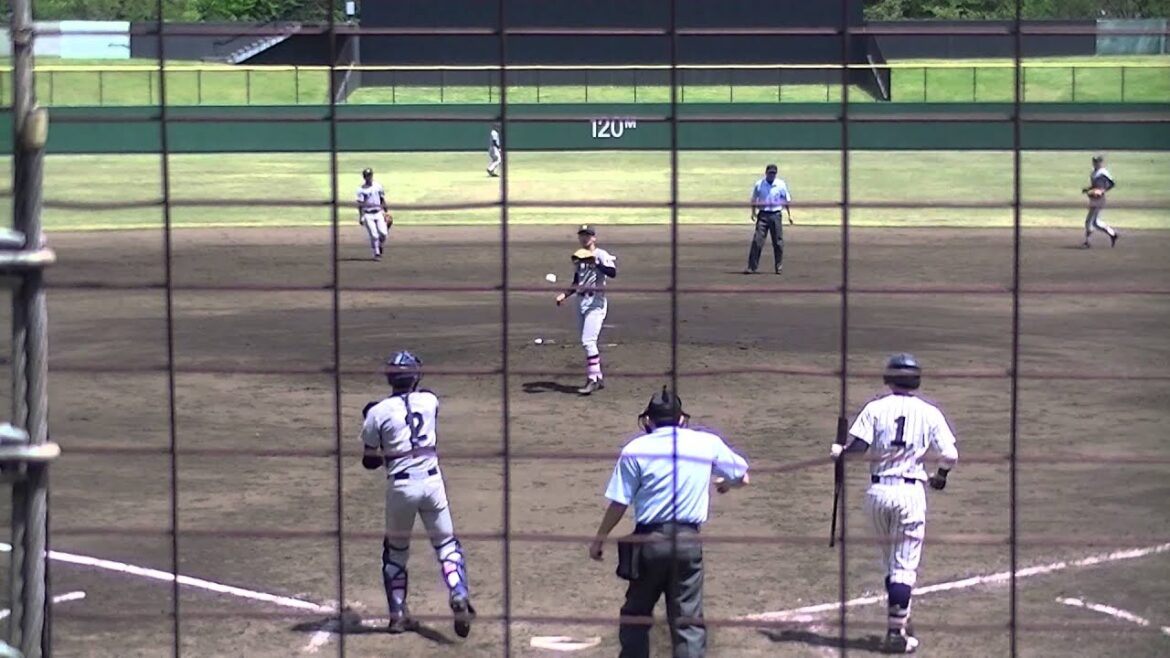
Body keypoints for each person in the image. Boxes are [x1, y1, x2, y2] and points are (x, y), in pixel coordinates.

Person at [590, 386, 750, 658]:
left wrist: (599, 540)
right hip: (688, 543)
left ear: (649, 420)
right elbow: (743, 475)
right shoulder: (705, 442)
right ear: (680, 419)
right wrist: (726, 484)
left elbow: (619, 502)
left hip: (649, 544)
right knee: (688, 621)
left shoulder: (635, 449)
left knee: (636, 615)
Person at [830, 353, 959, 654]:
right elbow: (950, 455)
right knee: (904, 568)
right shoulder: (929, 412)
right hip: (910, 496)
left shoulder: (875, 408)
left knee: (891, 564)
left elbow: (857, 449)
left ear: (889, 378)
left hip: (876, 496)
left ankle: (902, 615)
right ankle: (895, 635)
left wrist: (839, 452)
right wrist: (940, 476)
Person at [360, 351, 475, 637]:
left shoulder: (378, 413)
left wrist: (385, 449)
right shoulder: (430, 401)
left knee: (396, 552)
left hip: (400, 487)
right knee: (447, 546)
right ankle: (458, 592)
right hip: (433, 485)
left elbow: (368, 460)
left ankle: (398, 614)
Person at [555, 225, 617, 395]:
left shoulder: (601, 255)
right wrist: (564, 295)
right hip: (580, 302)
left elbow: (612, 272)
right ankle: (598, 377)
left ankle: (592, 379)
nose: (584, 238)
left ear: (594, 238)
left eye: (588, 235)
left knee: (588, 341)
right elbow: (577, 281)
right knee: (588, 342)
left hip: (596, 303)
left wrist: (596, 263)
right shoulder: (579, 256)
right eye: (582, 235)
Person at [744, 163, 793, 275]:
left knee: (778, 242)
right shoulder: (759, 184)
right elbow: (754, 199)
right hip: (763, 215)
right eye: (770, 173)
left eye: (774, 173)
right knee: (757, 241)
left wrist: (790, 215)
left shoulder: (781, 185)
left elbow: (786, 200)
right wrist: (753, 212)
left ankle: (778, 266)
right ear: (766, 173)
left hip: (776, 214)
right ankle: (752, 267)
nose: (772, 175)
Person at [1081, 154, 1119, 248]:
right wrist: (1089, 189)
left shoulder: (1101, 173)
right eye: (1094, 161)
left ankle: (1087, 242)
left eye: (1097, 161)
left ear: (1100, 162)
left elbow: (1106, 186)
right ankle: (1113, 234)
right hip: (1095, 199)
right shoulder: (1095, 172)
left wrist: (1101, 190)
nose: (1095, 163)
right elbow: (1097, 186)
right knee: (1095, 223)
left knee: (1089, 222)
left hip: (1098, 200)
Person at [356, 167, 392, 261]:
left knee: (383, 234)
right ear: (364, 177)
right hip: (368, 214)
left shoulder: (378, 186)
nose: (369, 177)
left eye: (370, 175)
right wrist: (361, 216)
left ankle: (379, 246)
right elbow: (360, 204)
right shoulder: (361, 190)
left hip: (378, 212)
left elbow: (382, 199)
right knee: (374, 235)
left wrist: (386, 211)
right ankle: (377, 253)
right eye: (367, 176)